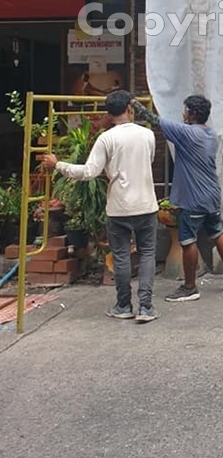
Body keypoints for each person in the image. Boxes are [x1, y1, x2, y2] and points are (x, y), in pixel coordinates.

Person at [41, 90, 159, 323]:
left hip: (118, 208)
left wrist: (58, 165)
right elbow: (150, 161)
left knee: (121, 256)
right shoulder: (147, 135)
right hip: (146, 205)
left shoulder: (106, 139)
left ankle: (123, 305)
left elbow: (88, 172)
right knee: (147, 255)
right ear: (129, 108)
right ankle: (145, 307)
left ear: (109, 112)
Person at [131, 94, 223, 301]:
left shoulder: (186, 132)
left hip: (192, 198)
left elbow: (154, 120)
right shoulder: (210, 135)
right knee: (217, 233)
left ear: (191, 113)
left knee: (187, 240)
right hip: (211, 194)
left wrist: (134, 104)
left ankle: (190, 286)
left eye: (185, 110)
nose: (183, 113)